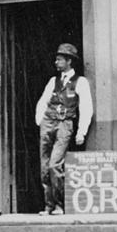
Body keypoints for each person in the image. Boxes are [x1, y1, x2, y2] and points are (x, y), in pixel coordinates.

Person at [34, 43, 93, 215]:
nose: (56, 62)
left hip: (65, 124)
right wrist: (41, 121)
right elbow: (43, 101)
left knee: (55, 164)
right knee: (45, 166)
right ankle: (49, 205)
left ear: (69, 61)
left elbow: (86, 107)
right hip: (48, 123)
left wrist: (81, 131)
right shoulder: (53, 81)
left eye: (60, 59)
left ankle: (59, 204)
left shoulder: (80, 82)